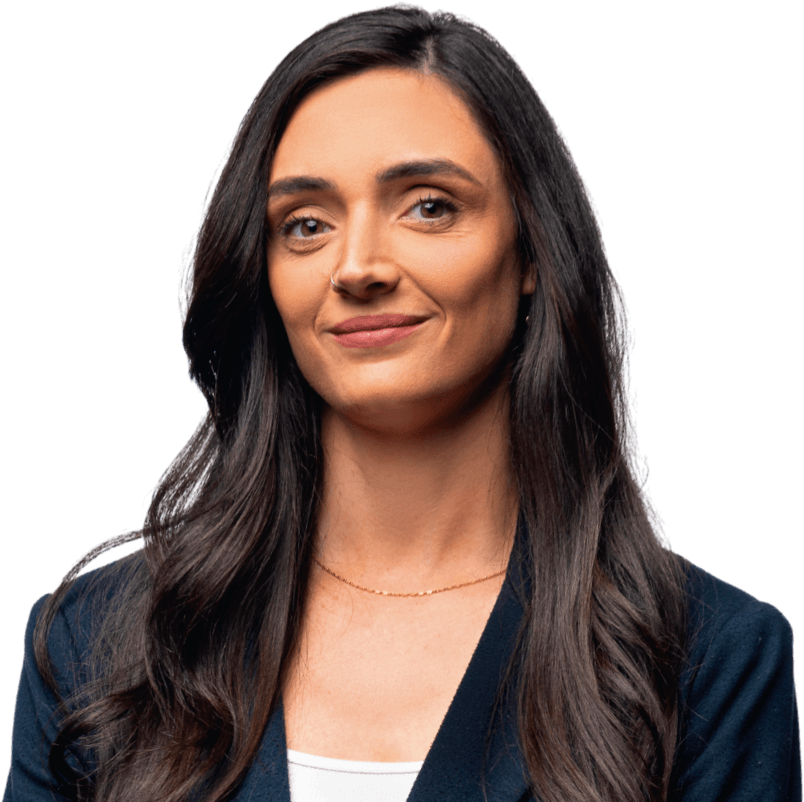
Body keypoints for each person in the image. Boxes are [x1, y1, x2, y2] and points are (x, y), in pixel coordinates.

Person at [4, 5, 800, 802]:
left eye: (429, 206)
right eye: (306, 224)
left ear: (531, 250)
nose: (357, 267)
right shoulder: (97, 647)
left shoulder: (709, 659)